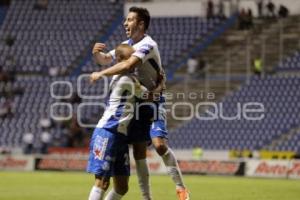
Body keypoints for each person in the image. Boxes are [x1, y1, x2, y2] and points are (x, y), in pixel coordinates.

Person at [90, 7, 189, 200]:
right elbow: (106, 59)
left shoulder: (148, 44)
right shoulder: (126, 45)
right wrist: (96, 54)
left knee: (159, 145)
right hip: (137, 100)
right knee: (138, 152)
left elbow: (127, 65)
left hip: (153, 99)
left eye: (129, 20)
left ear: (141, 24)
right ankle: (147, 198)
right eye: (125, 20)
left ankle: (181, 188)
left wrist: (101, 73)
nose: (125, 23)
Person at [87, 44, 149, 200]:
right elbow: (148, 95)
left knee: (122, 187)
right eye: (130, 60)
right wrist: (160, 87)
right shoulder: (127, 79)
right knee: (102, 182)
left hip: (120, 136)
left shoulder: (124, 77)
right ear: (120, 61)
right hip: (108, 131)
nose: (134, 63)